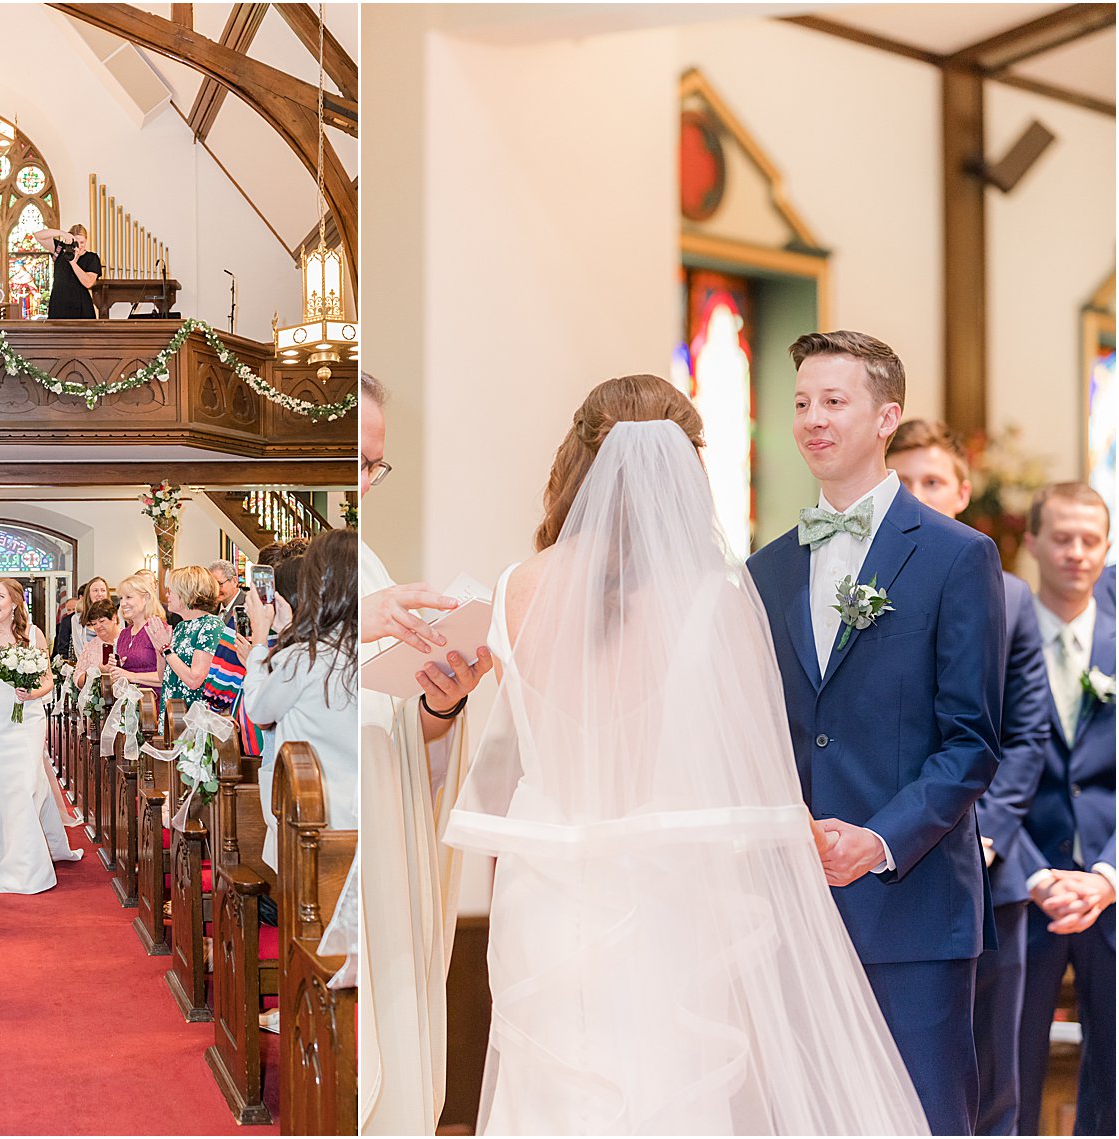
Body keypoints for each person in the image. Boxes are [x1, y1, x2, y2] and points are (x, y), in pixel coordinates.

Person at [444, 374, 928, 1134]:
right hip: (670, 895)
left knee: (550, 1092)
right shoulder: (717, 598)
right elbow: (747, 762)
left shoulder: (513, 589)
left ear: (577, 458)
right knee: (669, 1091)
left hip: (544, 894)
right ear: (687, 467)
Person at [747, 332, 1003, 1135]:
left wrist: (879, 840)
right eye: (799, 403)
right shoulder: (767, 569)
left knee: (926, 1120)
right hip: (791, 906)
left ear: (887, 415)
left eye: (833, 401)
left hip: (912, 903)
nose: (812, 420)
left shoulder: (959, 556)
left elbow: (972, 740)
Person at [888, 419, 1052, 1135]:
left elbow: (1023, 734)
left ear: (961, 491)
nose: (918, 496)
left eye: (932, 482)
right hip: (888, 858)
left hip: (987, 859)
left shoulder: (1012, 598)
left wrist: (987, 836)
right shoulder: (864, 589)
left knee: (992, 1071)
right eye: (902, 483)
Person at [358, 373, 492, 1136]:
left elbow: (405, 734)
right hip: (343, 834)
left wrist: (444, 699)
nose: (366, 480)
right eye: (355, 458)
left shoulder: (372, 563)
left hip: (390, 839)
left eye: (375, 465)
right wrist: (358, 624)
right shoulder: (300, 563)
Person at [1015, 482, 1115, 1137]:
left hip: (1111, 889)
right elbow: (983, 771)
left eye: (1091, 540)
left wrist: (1108, 874)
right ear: (1031, 543)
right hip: (1023, 893)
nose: (1077, 552)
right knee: (1009, 1070)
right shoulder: (999, 637)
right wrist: (1034, 874)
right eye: (1061, 537)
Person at [242, 528, 358, 871]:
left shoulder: (303, 657)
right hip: (351, 813)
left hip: (311, 818)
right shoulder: (351, 646)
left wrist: (262, 638)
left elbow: (259, 711)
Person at [0, 577, 82, 894]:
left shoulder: (32, 634)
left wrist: (30, 693)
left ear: (14, 602)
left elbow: (47, 681)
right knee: (3, 784)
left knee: (25, 783)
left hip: (28, 719)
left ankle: (21, 863)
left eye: (0, 597)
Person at [145, 566, 224, 733]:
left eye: (171, 591)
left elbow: (195, 680)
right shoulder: (181, 627)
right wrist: (159, 648)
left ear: (188, 593)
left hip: (192, 715)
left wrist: (166, 649)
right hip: (173, 712)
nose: (167, 595)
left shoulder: (210, 625)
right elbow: (163, 677)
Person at [104, 571, 164, 706]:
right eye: (121, 598)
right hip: (129, 704)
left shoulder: (158, 629)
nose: (123, 603)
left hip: (152, 706)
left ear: (146, 598)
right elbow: (119, 678)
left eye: (128, 597)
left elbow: (168, 676)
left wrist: (131, 675)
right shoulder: (124, 634)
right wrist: (116, 668)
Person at [30, 223, 100, 319]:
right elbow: (38, 236)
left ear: (86, 240)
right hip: (59, 305)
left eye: (82, 242)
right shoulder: (59, 250)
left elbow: (88, 283)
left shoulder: (92, 258)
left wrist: (72, 262)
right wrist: (61, 233)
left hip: (81, 308)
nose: (79, 246)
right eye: (76, 242)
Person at [54, 577, 110, 661]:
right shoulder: (77, 618)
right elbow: (78, 648)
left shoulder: (114, 616)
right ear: (88, 594)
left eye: (103, 590)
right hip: (86, 666)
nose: (99, 594)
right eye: (95, 590)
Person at [72, 597, 121, 687]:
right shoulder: (91, 647)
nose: (98, 626)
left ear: (114, 618)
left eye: (102, 621)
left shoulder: (127, 640)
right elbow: (77, 678)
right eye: (94, 624)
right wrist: (96, 671)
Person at [209, 559, 246, 628]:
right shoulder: (210, 608)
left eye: (219, 584)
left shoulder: (248, 605)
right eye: (212, 585)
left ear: (234, 581)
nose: (215, 590)